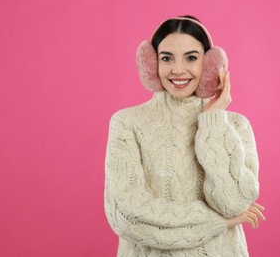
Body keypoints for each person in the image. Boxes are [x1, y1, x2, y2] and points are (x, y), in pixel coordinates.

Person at [104, 15, 265, 257]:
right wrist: (221, 223)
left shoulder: (235, 126)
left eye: (191, 58)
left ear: (210, 64)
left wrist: (212, 122)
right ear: (151, 64)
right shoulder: (127, 123)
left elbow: (233, 203)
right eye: (167, 58)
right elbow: (128, 217)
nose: (178, 69)